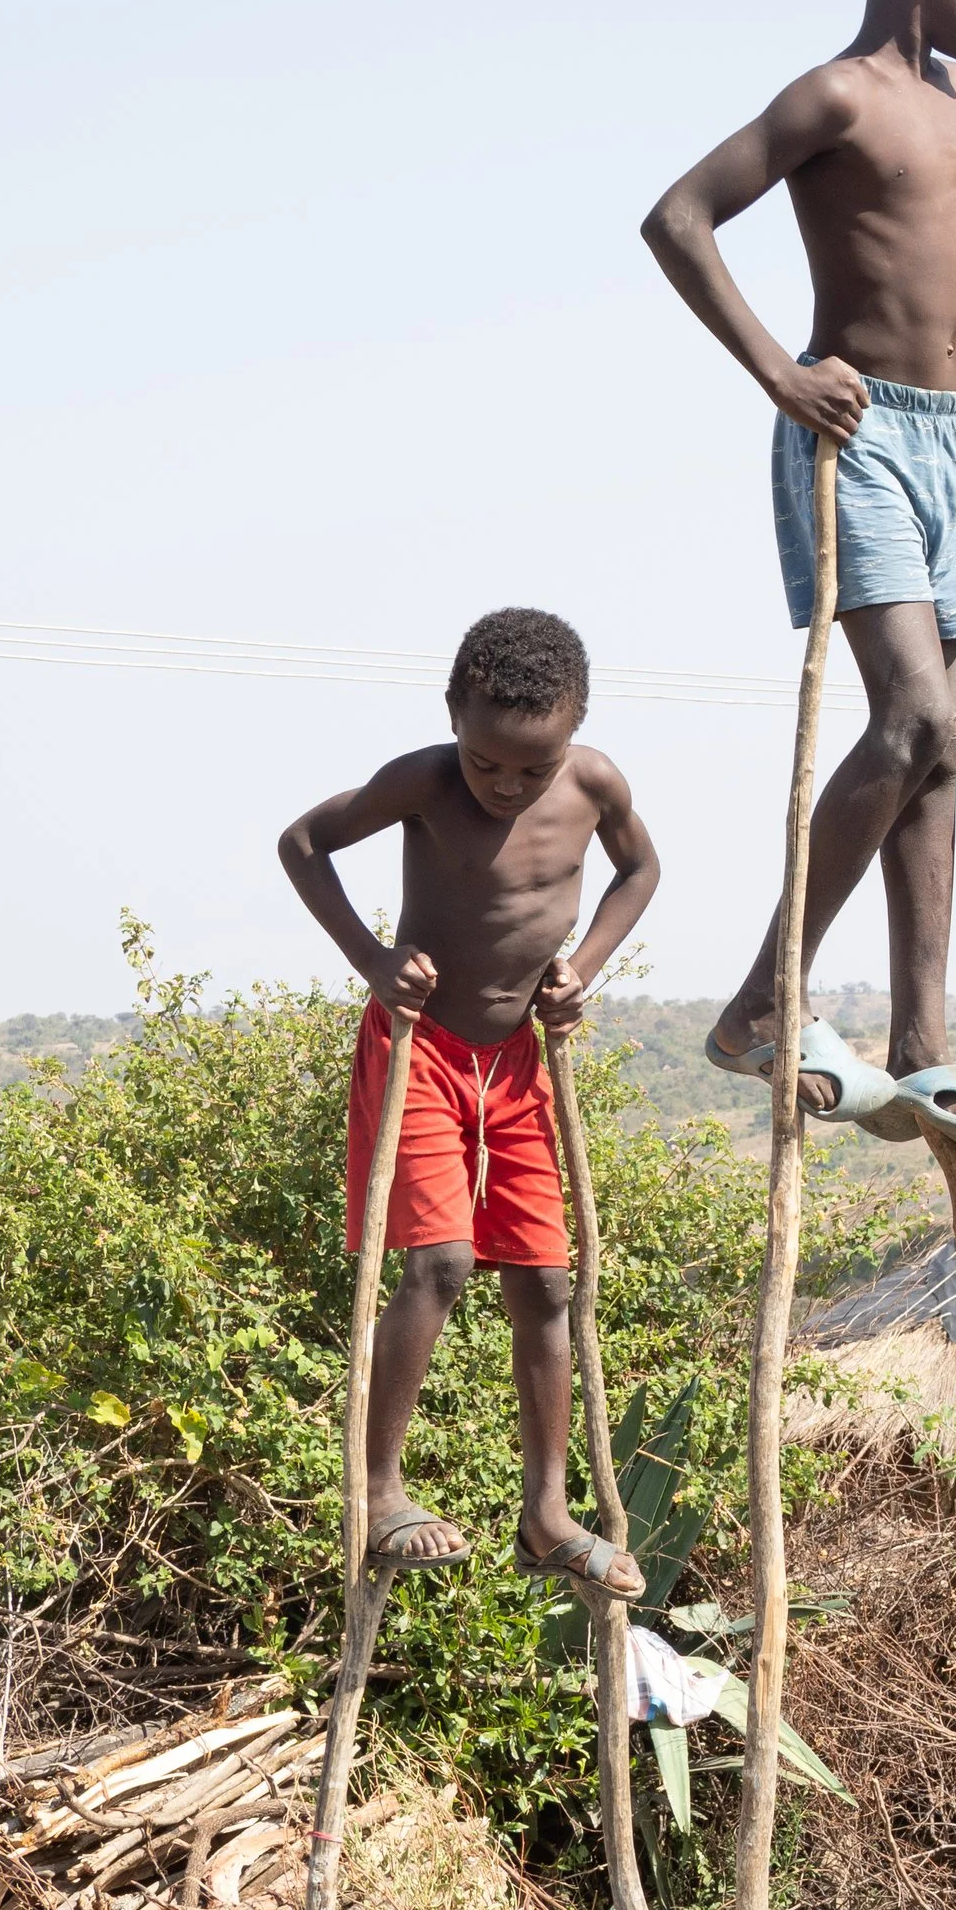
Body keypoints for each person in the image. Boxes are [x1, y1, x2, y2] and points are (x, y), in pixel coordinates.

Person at [640, 0, 956, 1166]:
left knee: (950, 745)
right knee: (911, 713)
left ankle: (925, 1046)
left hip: (944, 447)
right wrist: (781, 372)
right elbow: (680, 218)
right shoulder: (835, 98)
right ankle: (762, 1004)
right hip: (852, 433)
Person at [277, 607, 662, 1592]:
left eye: (531, 769)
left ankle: (545, 1517)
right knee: (441, 1264)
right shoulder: (422, 780)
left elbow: (640, 870)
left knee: (544, 1285)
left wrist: (581, 967)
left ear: (574, 731)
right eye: (489, 764)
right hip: (424, 1048)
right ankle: (379, 1490)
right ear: (453, 717)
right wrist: (372, 960)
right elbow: (303, 842)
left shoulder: (594, 783)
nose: (507, 786)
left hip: (524, 1058)